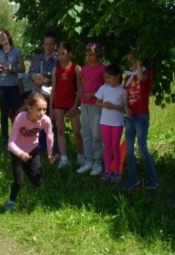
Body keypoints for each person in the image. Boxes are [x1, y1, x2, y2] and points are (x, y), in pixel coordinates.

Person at [4, 92, 55, 213]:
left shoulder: (45, 120)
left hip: (33, 150)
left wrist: (49, 153)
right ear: (30, 108)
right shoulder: (21, 118)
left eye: (44, 109)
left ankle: (24, 167)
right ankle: (11, 202)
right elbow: (10, 143)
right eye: (39, 109)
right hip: (17, 151)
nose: (42, 113)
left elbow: (49, 136)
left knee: (38, 181)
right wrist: (20, 154)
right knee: (18, 182)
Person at [122, 53, 158, 191]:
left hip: (141, 116)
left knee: (142, 148)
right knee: (129, 149)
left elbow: (141, 78)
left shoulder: (145, 72)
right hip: (130, 116)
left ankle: (153, 178)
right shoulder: (128, 75)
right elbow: (125, 93)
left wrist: (137, 61)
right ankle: (133, 178)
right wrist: (125, 108)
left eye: (135, 56)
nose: (131, 57)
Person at [49, 41, 83, 169]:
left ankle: (81, 156)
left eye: (63, 53)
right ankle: (64, 158)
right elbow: (53, 89)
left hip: (72, 103)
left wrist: (75, 106)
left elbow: (79, 89)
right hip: (58, 103)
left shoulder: (76, 68)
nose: (61, 57)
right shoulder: (55, 69)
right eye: (59, 54)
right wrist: (51, 107)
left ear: (70, 53)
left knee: (76, 131)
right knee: (60, 130)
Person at [77, 42, 107, 175]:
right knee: (86, 132)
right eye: (87, 54)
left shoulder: (103, 69)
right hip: (84, 103)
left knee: (96, 133)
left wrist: (94, 93)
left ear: (98, 55)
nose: (89, 57)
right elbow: (83, 84)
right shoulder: (84, 68)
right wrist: (80, 92)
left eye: (92, 55)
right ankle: (88, 160)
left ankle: (97, 162)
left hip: (96, 104)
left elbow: (107, 86)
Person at [27, 32, 59, 156]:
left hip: (51, 95)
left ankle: (54, 149)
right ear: (43, 45)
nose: (48, 46)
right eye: (46, 44)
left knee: (52, 121)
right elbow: (29, 73)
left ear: (55, 45)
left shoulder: (57, 59)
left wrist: (48, 79)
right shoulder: (36, 58)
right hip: (37, 94)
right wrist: (35, 76)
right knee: (37, 120)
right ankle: (39, 147)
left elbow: (59, 76)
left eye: (51, 44)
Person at [0, 28, 25, 145]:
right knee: (4, 112)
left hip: (14, 86)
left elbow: (22, 68)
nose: (2, 38)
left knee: (17, 112)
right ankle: (4, 138)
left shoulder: (17, 51)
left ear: (8, 35)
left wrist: (13, 69)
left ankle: (19, 136)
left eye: (3, 35)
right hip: (1, 86)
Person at [95, 64, 126, 183]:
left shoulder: (122, 90)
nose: (107, 80)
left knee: (115, 147)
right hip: (105, 122)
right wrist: (104, 105)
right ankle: (107, 170)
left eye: (109, 77)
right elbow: (97, 102)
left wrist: (113, 106)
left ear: (117, 76)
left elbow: (124, 107)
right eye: (106, 77)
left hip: (117, 123)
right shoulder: (104, 88)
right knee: (107, 147)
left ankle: (117, 171)